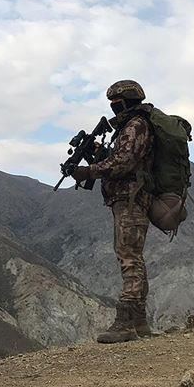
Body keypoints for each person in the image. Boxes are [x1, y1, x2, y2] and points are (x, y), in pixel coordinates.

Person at [71, 80, 155, 343]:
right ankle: (139, 321)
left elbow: (124, 162)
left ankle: (125, 322)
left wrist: (89, 171)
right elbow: (122, 158)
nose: (113, 109)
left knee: (129, 257)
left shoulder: (135, 125)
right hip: (129, 198)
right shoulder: (135, 126)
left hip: (131, 199)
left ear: (124, 102)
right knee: (133, 257)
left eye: (115, 104)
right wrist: (98, 154)